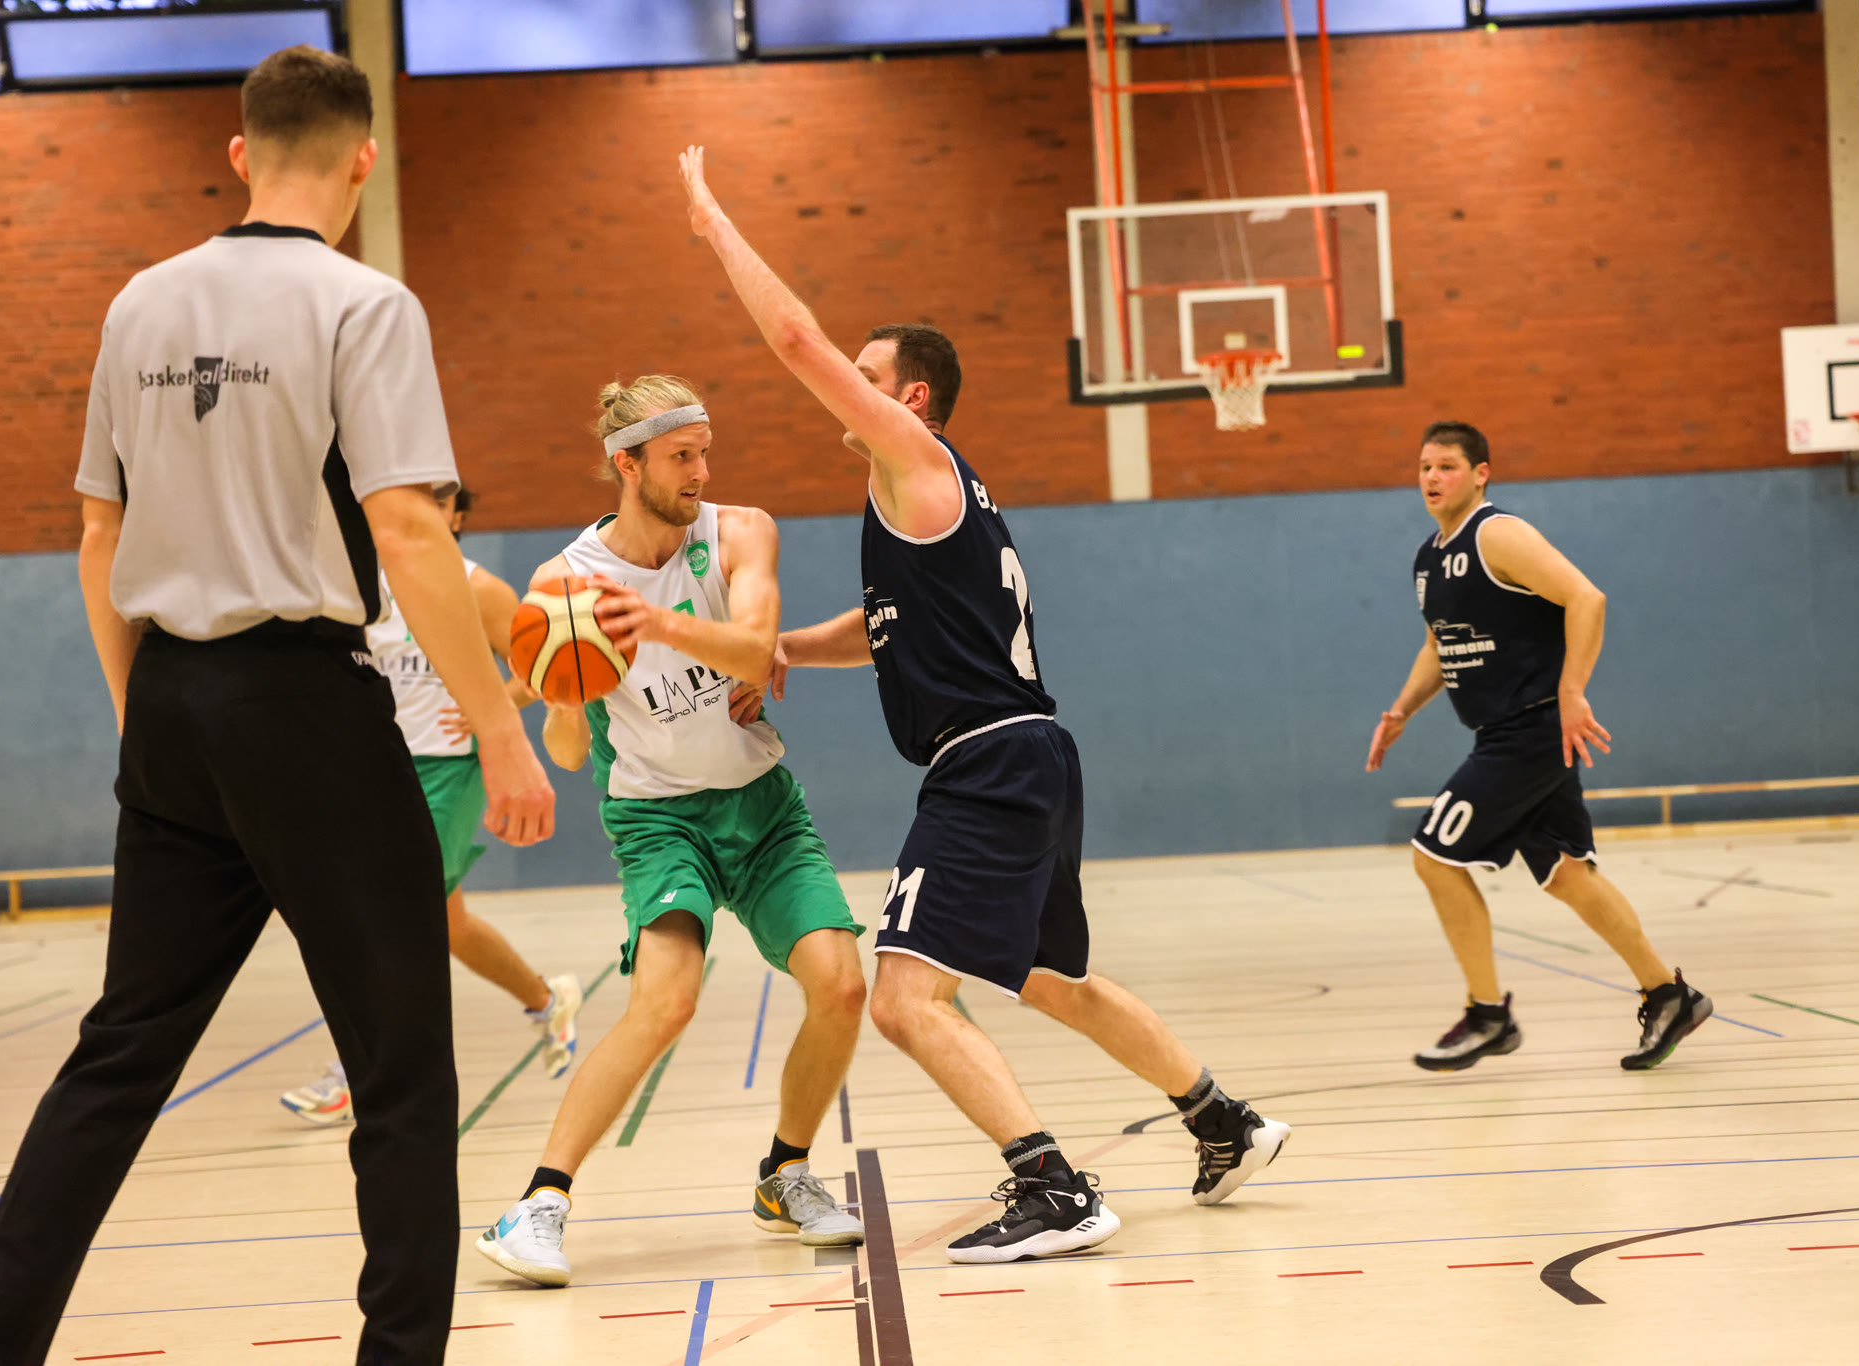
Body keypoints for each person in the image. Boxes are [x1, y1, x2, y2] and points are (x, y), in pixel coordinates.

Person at [0, 47, 553, 1366]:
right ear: (364, 159)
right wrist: (501, 724)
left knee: (120, 1052)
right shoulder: (365, 304)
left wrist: (145, 716)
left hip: (172, 700)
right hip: (306, 706)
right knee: (402, 1068)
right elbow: (407, 527)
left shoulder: (138, 302)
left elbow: (97, 536)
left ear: (240, 153)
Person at [677, 146, 1289, 1267]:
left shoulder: (913, 458)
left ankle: (1052, 1187)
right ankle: (1223, 1121)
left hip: (987, 765)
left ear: (908, 396)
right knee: (1052, 979)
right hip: (1031, 750)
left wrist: (716, 226)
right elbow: (883, 629)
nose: (846, 379)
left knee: (903, 999)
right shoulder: (925, 503)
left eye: (868, 371)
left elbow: (796, 340)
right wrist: (779, 650)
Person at [474, 375, 867, 1288]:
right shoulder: (564, 583)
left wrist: (655, 623)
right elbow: (570, 751)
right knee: (666, 1003)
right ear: (628, 463)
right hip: (658, 819)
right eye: (681, 456)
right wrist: (562, 702)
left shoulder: (741, 532)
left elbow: (756, 645)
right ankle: (538, 1203)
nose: (701, 471)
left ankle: (785, 1174)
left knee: (842, 985)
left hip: (762, 806)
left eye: (705, 453)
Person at [1367, 422, 1710, 1072]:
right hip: (1508, 733)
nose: (1432, 477)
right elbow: (1440, 643)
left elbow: (1586, 598)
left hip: (1531, 731)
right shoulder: (1428, 559)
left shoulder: (1497, 534)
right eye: (1424, 467)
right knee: (1567, 875)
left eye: (1447, 466)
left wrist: (1573, 690)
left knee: (1434, 856)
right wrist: (1402, 709)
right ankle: (1669, 994)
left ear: (1480, 474)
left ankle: (1488, 1015)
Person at [280, 485, 584, 1125]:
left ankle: (361, 1071)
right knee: (447, 924)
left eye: (438, 500)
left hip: (451, 768)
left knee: (392, 917)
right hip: (377, 767)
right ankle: (546, 998)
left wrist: (492, 709)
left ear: (456, 516)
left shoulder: (479, 588)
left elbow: (543, 666)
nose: (422, 509)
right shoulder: (357, 585)